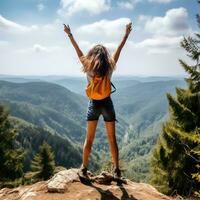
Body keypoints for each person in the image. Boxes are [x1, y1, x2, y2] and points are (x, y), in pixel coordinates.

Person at [63, 22, 132, 179]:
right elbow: (119, 50)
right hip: (107, 104)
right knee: (112, 139)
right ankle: (117, 170)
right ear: (105, 56)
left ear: (93, 54)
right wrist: (126, 35)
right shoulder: (110, 66)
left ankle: (84, 168)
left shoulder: (88, 66)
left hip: (94, 103)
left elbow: (78, 50)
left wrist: (69, 34)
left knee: (89, 139)